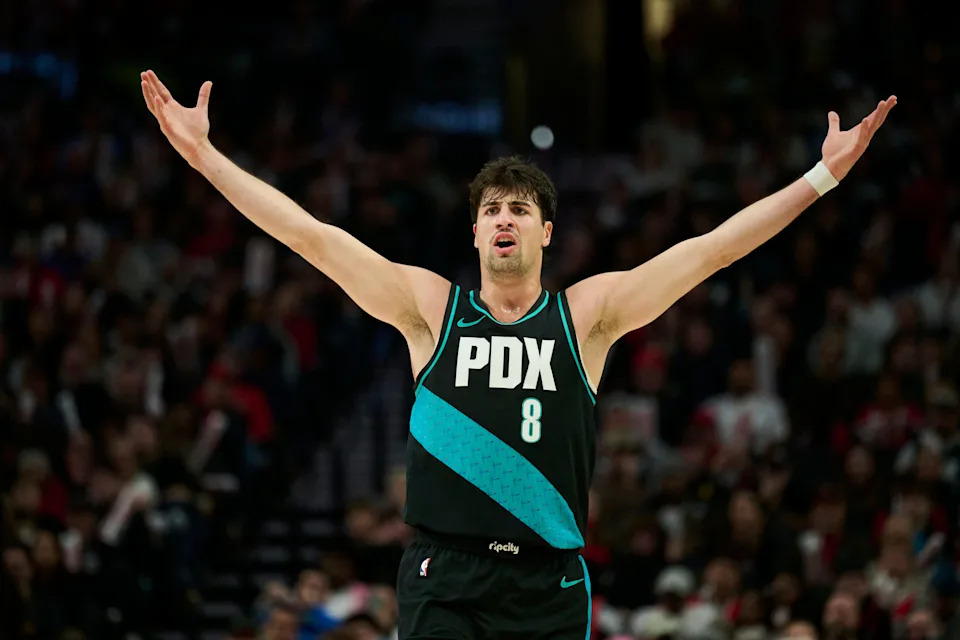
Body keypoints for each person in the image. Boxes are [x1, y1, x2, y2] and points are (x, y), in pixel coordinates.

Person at [139, 70, 896, 639]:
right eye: (491, 210)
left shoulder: (587, 318)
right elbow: (310, 236)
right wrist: (207, 159)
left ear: (545, 235)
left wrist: (823, 175)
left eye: (520, 210)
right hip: (445, 576)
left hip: (548, 580)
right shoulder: (431, 310)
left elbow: (711, 252)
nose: (504, 219)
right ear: (474, 234)